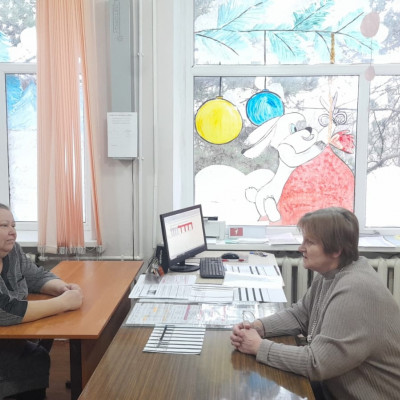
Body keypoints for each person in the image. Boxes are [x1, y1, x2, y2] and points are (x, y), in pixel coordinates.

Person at [230, 207, 400, 400]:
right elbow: (299, 315)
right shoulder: (331, 273)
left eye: (309, 242)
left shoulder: (356, 289)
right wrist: (259, 327)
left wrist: (259, 346)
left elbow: (316, 363)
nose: (301, 248)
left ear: (336, 250)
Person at [0, 203, 83, 400]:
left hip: (12, 339)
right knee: (35, 356)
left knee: (38, 352)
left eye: (14, 225)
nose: (13, 232)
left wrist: (62, 288)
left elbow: (36, 276)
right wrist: (64, 303)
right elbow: (5, 311)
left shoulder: (13, 251)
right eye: (4, 226)